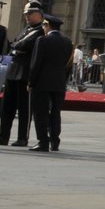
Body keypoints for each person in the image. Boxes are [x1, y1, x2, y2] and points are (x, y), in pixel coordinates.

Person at [2, 0, 45, 145]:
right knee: (7, 107)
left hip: (25, 73)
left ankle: (22, 137)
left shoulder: (40, 31)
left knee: (24, 109)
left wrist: (16, 48)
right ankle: (3, 136)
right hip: (13, 72)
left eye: (31, 13)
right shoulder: (25, 29)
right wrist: (16, 47)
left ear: (39, 15)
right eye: (26, 13)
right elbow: (13, 45)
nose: (27, 16)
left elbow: (23, 46)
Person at [28, 13, 72, 153]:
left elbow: (36, 64)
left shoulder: (42, 40)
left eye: (44, 25)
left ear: (47, 26)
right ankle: (55, 141)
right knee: (55, 112)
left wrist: (31, 81)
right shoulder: (67, 42)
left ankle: (43, 142)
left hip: (42, 83)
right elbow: (68, 65)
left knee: (40, 112)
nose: (43, 28)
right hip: (59, 83)